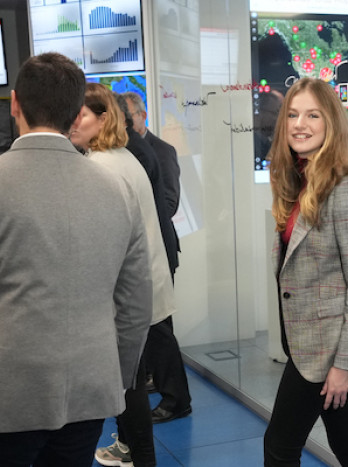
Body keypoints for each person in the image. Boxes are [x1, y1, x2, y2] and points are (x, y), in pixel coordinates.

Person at [0, 52, 153, 466]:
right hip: (90, 388)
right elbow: (136, 304)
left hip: (10, 393)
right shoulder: (117, 188)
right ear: (75, 112)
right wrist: (115, 376)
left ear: (15, 104)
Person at [264, 77, 348, 467]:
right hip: (307, 342)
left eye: (312, 115)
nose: (300, 124)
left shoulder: (345, 187)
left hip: (326, 349)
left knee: (280, 447)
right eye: (293, 115)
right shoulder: (300, 182)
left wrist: (344, 366)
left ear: (331, 123)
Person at [70, 82, 180, 467]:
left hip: (127, 293)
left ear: (103, 119)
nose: (72, 122)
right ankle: (135, 453)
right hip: (140, 287)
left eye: (80, 114)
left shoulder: (100, 167)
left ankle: (140, 457)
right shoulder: (121, 157)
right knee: (128, 382)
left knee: (127, 385)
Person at [121, 91, 191, 424]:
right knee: (152, 328)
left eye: (131, 115)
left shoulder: (160, 151)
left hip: (158, 249)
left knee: (159, 328)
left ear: (142, 115)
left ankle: (175, 398)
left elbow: (169, 202)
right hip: (145, 250)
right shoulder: (128, 151)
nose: (129, 121)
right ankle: (157, 380)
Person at [122, 91, 181, 220]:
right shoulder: (119, 150)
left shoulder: (163, 151)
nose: (123, 123)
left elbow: (170, 204)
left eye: (128, 117)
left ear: (143, 115)